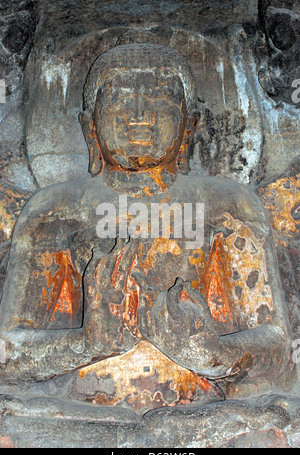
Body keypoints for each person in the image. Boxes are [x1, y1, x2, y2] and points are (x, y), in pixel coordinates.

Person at [0, 42, 292, 397]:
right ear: (90, 127)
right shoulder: (54, 210)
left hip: (200, 413)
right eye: (120, 99)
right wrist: (86, 343)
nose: (140, 114)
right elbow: (6, 355)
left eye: (160, 98)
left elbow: (279, 350)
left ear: (189, 127)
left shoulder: (228, 206)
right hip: (77, 411)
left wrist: (213, 354)